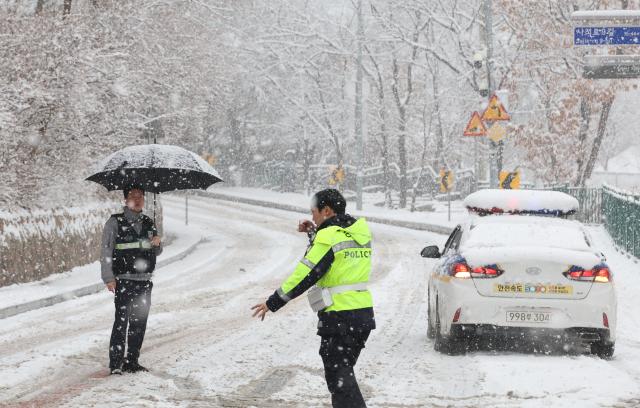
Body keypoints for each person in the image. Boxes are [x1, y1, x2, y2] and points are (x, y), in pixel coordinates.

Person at [252, 189, 375, 408]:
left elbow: (306, 274)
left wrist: (273, 302)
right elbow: (335, 259)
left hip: (340, 317)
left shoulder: (328, 237)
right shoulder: (359, 232)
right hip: (361, 315)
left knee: (339, 377)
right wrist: (314, 234)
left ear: (326, 210)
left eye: (314, 212)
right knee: (341, 374)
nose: (313, 217)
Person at [101, 186, 162, 375]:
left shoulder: (148, 222)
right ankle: (116, 363)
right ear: (125, 200)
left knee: (139, 322)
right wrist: (108, 277)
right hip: (124, 280)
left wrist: (157, 243)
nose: (137, 199)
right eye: (132, 196)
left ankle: (132, 361)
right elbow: (106, 251)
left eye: (140, 196)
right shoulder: (115, 222)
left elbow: (156, 251)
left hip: (144, 281)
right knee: (121, 321)